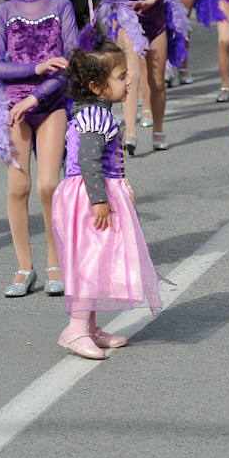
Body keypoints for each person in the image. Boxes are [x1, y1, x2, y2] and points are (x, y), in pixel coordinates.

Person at [0, 0, 76, 298]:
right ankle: (25, 267)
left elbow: (70, 65)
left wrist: (36, 96)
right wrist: (35, 68)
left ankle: (57, 261)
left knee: (48, 186)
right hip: (13, 108)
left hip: (50, 104)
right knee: (18, 188)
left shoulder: (61, 6)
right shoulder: (3, 13)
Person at [50, 43, 164, 359]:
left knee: (98, 258)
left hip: (92, 191)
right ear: (96, 86)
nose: (129, 81)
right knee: (88, 260)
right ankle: (75, 329)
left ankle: (89, 326)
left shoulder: (93, 112)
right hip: (89, 196)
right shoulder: (95, 116)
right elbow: (88, 161)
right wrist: (99, 199)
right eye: (121, 76)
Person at [88, 0, 181, 152]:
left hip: (156, 23)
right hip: (130, 22)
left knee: (157, 81)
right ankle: (130, 132)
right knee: (131, 75)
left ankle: (158, 129)